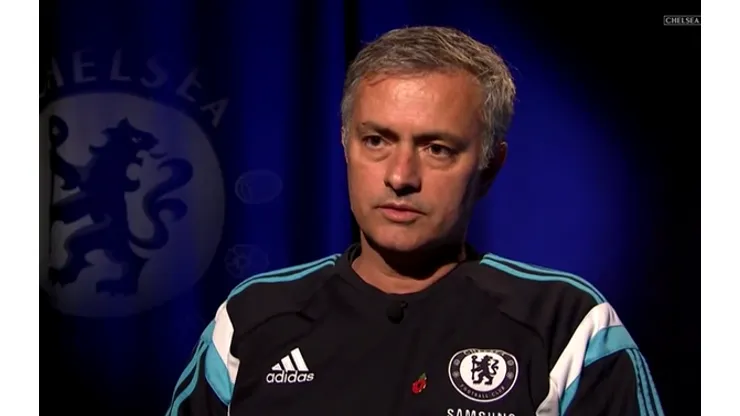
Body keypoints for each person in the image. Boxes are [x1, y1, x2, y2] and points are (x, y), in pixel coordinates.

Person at [165, 26, 664, 416]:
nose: (400, 176)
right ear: (345, 145)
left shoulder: (567, 324)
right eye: (376, 141)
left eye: (437, 148)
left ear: (490, 166)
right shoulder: (253, 318)